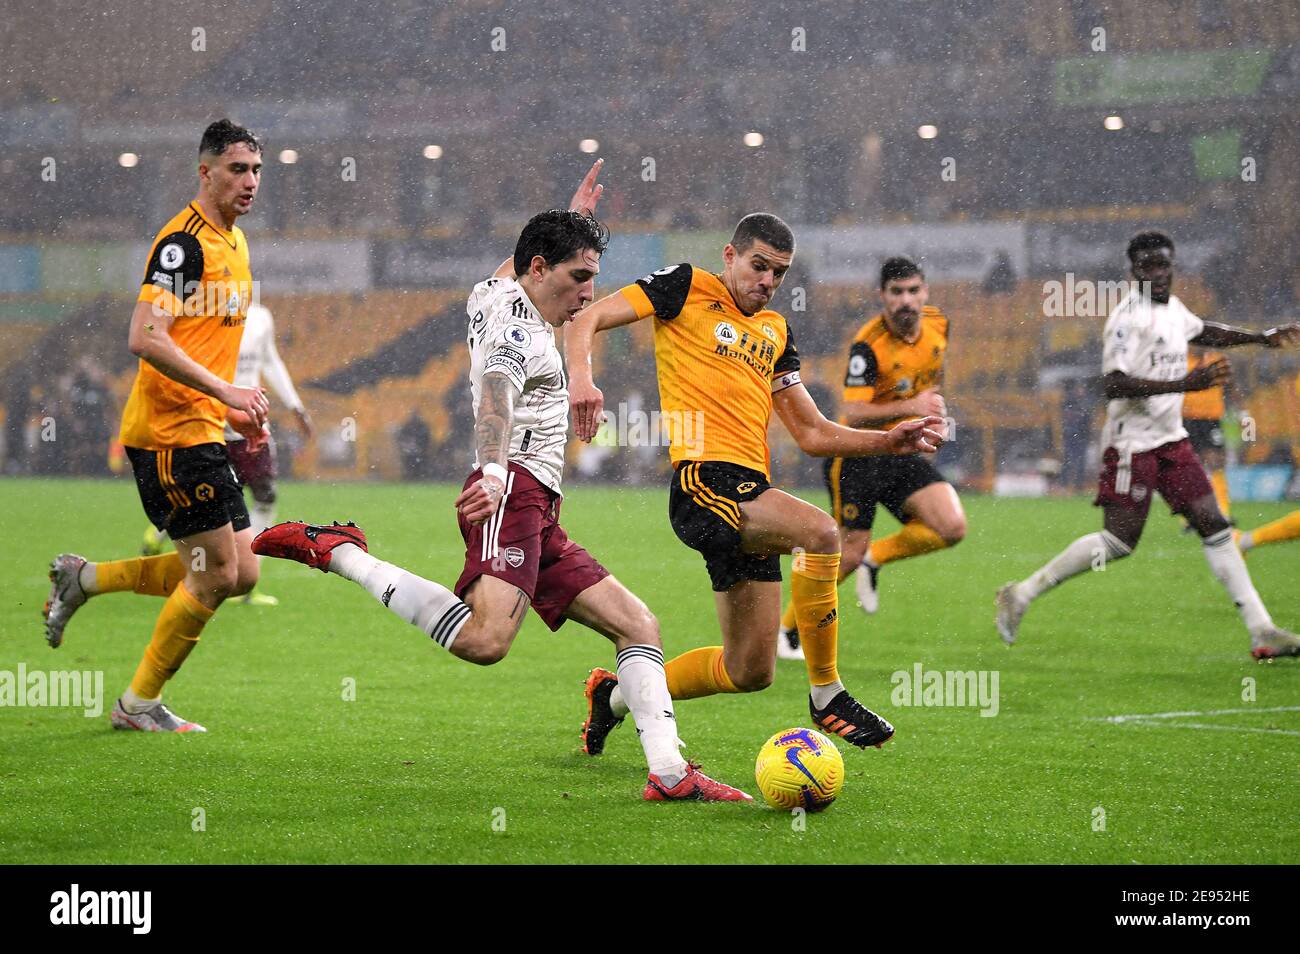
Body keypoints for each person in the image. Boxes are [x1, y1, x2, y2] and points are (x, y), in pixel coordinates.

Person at [256, 182, 750, 802]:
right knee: (487, 641)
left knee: (637, 624)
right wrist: (492, 475)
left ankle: (671, 775)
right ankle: (341, 552)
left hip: (539, 509)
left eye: (593, 277)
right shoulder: (520, 337)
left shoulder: (495, 292)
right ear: (539, 270)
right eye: (578, 276)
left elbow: (508, 268)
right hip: (511, 492)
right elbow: (495, 399)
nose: (589, 294)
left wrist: (573, 220)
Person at [566, 213, 943, 754]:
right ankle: (827, 694)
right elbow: (588, 317)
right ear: (730, 256)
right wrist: (582, 379)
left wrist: (889, 441)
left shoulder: (776, 332)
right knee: (821, 532)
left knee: (748, 670)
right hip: (703, 481)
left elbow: (812, 432)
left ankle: (615, 697)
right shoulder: (685, 286)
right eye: (758, 265)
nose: (766, 280)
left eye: (779, 273)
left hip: (748, 491)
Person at [42, 119, 271, 730]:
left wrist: (234, 412)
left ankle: (84, 580)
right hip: (169, 437)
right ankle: (137, 705)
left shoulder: (237, 243)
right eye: (236, 170)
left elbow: (204, 344)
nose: (249, 182)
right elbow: (144, 335)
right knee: (217, 573)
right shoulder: (184, 244)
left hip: (204, 427)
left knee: (240, 571)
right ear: (206, 172)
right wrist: (226, 392)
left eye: (255, 170)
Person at [996, 231, 1300, 659]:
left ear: (1173, 267)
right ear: (1133, 271)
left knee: (1214, 525)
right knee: (1119, 542)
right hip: (1131, 446)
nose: (1157, 274)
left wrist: (1259, 337)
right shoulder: (1126, 319)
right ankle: (1022, 593)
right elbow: (1113, 384)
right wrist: (1185, 383)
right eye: (1148, 267)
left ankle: (1261, 629)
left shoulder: (1174, 309)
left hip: (1171, 441)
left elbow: (1204, 330)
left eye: (1164, 266)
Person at [776, 257, 965, 660]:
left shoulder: (939, 325)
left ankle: (876, 559)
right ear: (882, 296)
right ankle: (786, 629)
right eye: (896, 293)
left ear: (925, 291)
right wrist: (912, 403)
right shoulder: (869, 343)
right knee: (847, 554)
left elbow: (931, 381)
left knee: (951, 527)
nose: (906, 301)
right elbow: (853, 411)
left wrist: (934, 415)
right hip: (860, 453)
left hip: (902, 450)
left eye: (913, 291)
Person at [142, 300, 313, 607]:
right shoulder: (208, 317)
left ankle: (249, 579)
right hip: (213, 422)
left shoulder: (261, 317)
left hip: (251, 422)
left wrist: (294, 405)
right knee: (208, 500)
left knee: (266, 494)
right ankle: (167, 527)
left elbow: (270, 362)